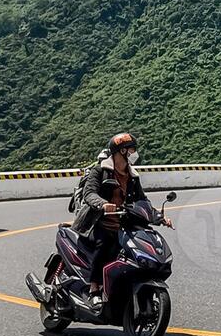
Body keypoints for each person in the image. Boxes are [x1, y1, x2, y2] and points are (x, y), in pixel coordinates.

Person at [69, 133, 170, 311]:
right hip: (100, 223)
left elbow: (142, 201)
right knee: (104, 245)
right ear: (121, 151)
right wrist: (103, 204)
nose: (134, 153)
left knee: (137, 250)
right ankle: (94, 289)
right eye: (132, 150)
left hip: (124, 224)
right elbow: (89, 193)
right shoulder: (101, 171)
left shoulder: (132, 176)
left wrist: (160, 218)